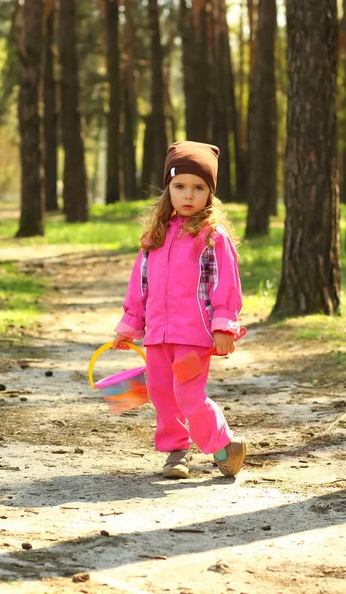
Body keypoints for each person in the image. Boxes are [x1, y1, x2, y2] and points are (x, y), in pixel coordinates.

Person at [113, 140, 246, 479]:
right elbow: (140, 286)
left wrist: (223, 326)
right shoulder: (155, 237)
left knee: (187, 395)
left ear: (210, 194)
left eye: (199, 187)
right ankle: (176, 452)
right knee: (161, 394)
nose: (189, 195)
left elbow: (225, 285)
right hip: (157, 336)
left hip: (194, 336)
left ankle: (223, 445)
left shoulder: (212, 237)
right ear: (168, 189)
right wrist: (130, 325)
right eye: (180, 186)